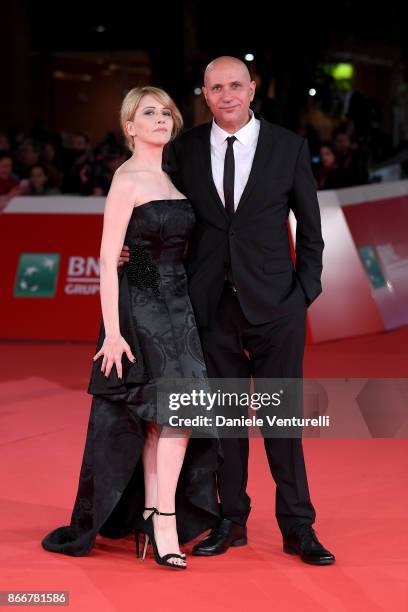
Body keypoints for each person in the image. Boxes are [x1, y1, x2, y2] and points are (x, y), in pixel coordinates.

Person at [122, 56, 335, 565]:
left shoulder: (288, 146)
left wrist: (303, 293)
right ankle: (231, 520)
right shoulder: (186, 149)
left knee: (283, 422)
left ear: (252, 88)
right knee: (225, 425)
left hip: (277, 307)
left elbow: (310, 229)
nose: (227, 95)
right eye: (216, 88)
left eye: (235, 85)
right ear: (205, 94)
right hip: (209, 309)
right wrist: (138, 265)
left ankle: (298, 527)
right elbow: (160, 223)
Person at [41, 86, 221, 570]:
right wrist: (115, 332)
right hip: (142, 312)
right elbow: (106, 257)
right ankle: (164, 523)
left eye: (166, 111)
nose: (161, 119)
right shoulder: (128, 179)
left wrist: (140, 263)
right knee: (178, 413)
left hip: (176, 304)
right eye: (149, 113)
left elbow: (147, 252)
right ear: (130, 127)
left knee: (162, 416)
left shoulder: (171, 174)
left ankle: (149, 511)